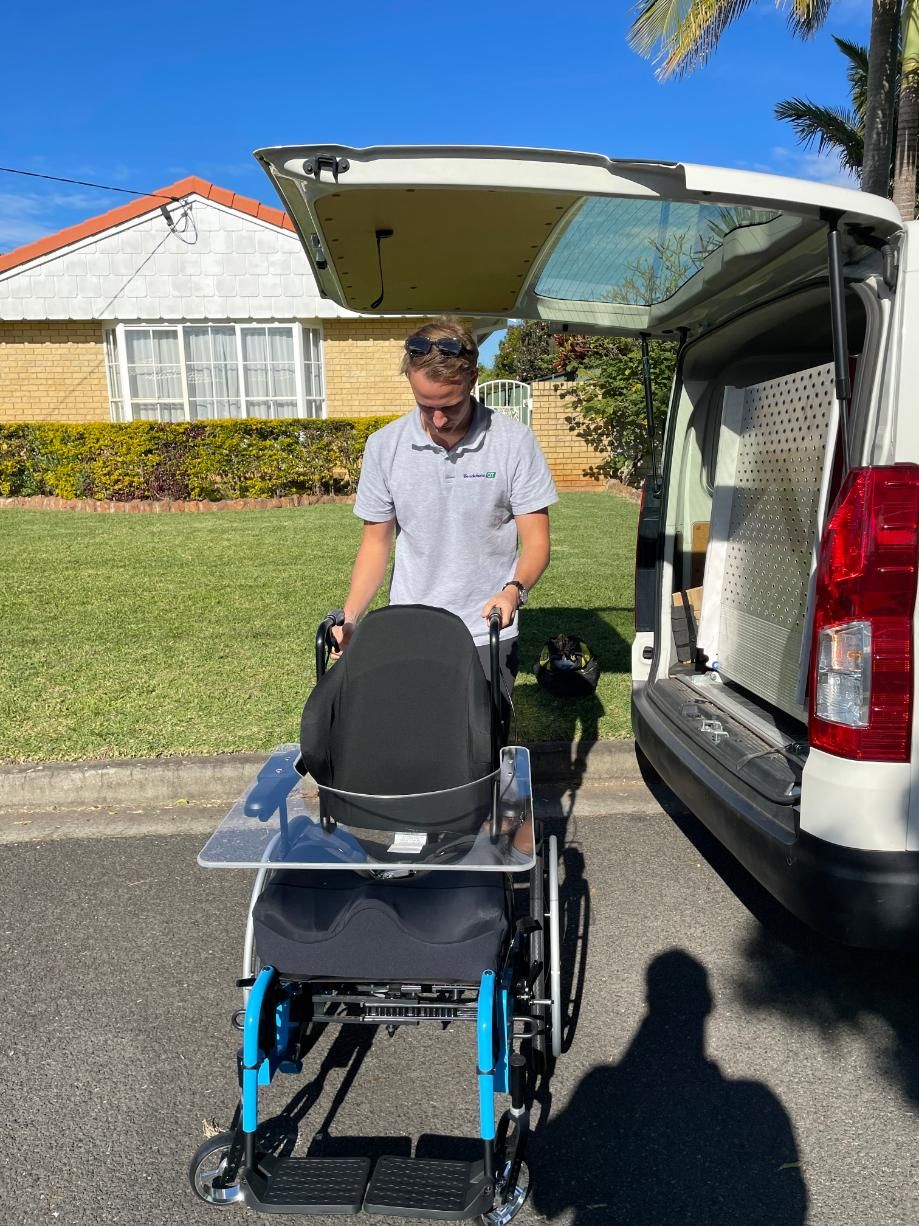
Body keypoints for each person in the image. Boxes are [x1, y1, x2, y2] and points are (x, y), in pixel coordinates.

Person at [333, 317, 558, 704]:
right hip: (411, 630)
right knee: (415, 742)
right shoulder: (384, 447)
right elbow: (375, 545)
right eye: (425, 405)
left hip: (488, 632)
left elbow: (537, 543)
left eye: (449, 406)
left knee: (482, 746)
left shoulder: (514, 443)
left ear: (472, 379)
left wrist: (513, 592)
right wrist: (351, 616)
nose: (437, 419)